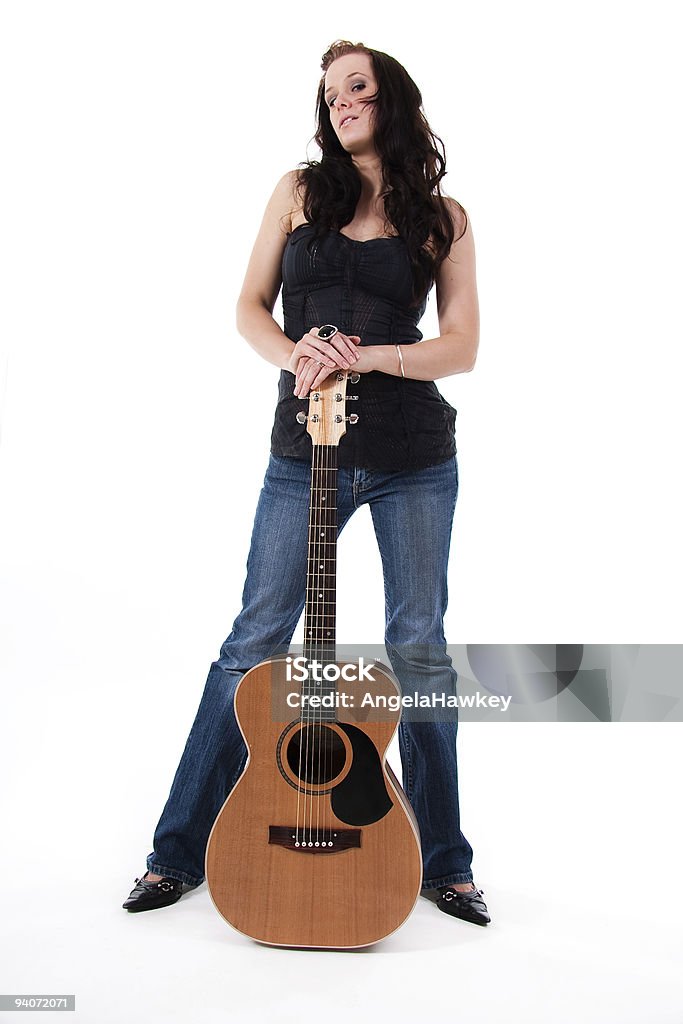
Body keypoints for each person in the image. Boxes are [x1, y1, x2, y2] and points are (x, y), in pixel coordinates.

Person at [123, 38, 489, 927]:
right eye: (330, 93)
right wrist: (297, 354)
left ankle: (443, 864)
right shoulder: (297, 191)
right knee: (254, 641)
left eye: (357, 86)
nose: (341, 102)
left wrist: (362, 354)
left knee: (418, 652)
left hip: (413, 458)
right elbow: (248, 306)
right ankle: (177, 854)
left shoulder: (443, 214)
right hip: (306, 449)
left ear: (391, 98)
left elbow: (462, 347)